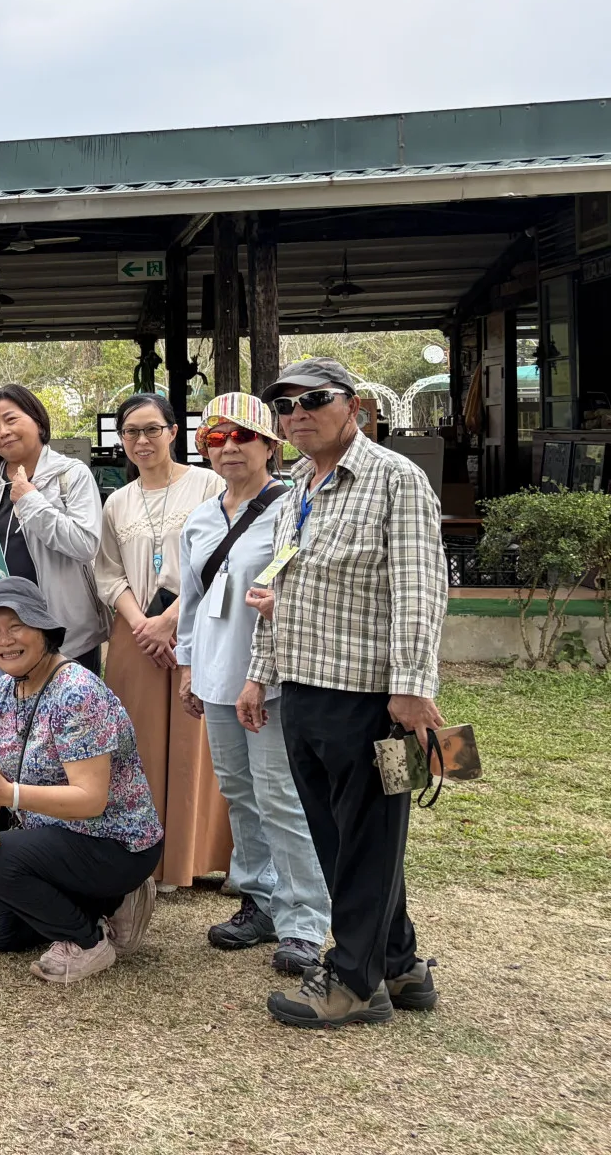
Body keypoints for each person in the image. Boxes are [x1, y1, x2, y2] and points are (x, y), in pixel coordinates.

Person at [240, 358, 447, 1029]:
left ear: (353, 406)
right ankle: (399, 960)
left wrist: (412, 689)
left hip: (370, 699)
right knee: (342, 838)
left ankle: (356, 984)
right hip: (303, 691)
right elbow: (278, 592)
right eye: (286, 405)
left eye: (314, 400)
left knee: (367, 837)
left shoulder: (396, 480)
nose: (297, 414)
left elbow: (421, 591)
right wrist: (260, 673)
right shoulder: (295, 485)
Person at [175, 393, 327, 976]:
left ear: (270, 444)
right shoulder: (199, 518)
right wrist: (188, 665)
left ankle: (304, 922)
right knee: (240, 791)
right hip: (216, 674)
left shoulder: (293, 508)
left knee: (280, 796)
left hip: (274, 675)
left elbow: (305, 589)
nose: (229, 447)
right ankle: (260, 899)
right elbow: (191, 601)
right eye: (216, 438)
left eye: (242, 436)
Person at [0, 577, 164, 985]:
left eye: (17, 626)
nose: (5, 640)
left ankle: (88, 941)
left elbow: (91, 800)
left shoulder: (76, 691)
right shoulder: (3, 691)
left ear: (45, 630)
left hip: (115, 843)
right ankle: (108, 904)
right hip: (56, 840)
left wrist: (10, 795)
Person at [95, 393, 227, 892]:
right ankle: (145, 855)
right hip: (136, 637)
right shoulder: (118, 500)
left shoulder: (208, 485)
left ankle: (192, 856)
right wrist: (141, 624)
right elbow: (107, 573)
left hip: (194, 628)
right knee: (139, 743)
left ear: (174, 432)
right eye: (131, 432)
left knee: (197, 745)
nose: (142, 440)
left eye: (152, 429)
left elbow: (220, 560)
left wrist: (171, 619)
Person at [0, 384, 107, 673]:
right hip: (2, 638)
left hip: (65, 633)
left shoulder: (72, 475)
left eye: (11, 420)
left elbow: (85, 544)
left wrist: (29, 500)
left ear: (37, 421)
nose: (2, 432)